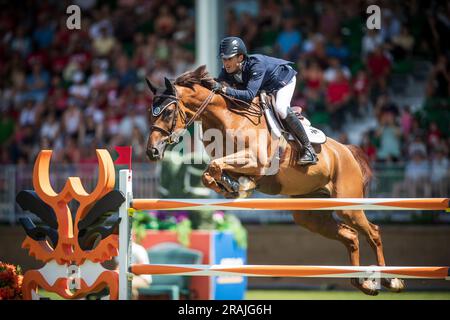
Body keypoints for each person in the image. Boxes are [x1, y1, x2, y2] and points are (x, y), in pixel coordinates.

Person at [211, 36, 318, 165]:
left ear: (240, 57)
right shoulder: (227, 69)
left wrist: (224, 90)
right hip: (265, 86)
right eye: (223, 59)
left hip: (282, 80)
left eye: (229, 59)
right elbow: (220, 83)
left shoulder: (257, 65)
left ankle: (308, 149)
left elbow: (249, 95)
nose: (225, 63)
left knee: (280, 108)